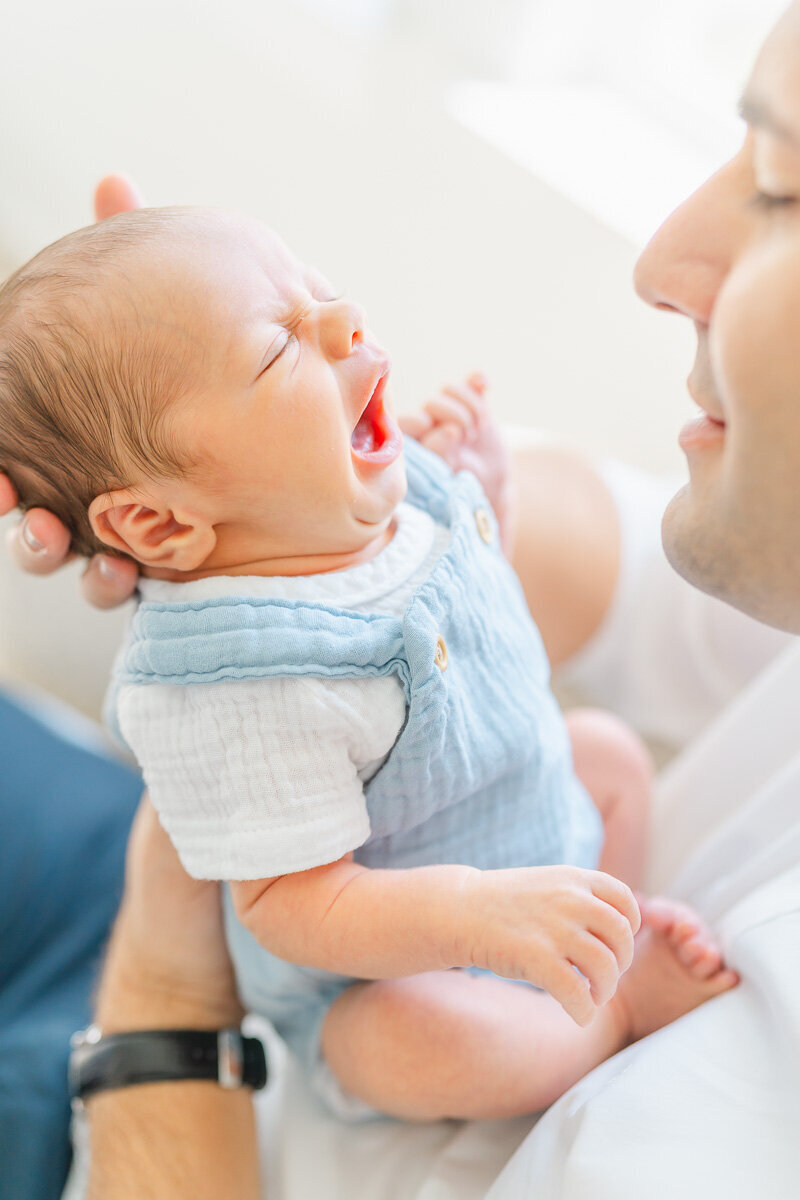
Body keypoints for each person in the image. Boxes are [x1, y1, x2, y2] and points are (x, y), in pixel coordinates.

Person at [6, 0, 800, 1187]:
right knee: (584, 776)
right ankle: (605, 950)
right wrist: (469, 493)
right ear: (159, 523)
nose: (343, 321)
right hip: (422, 936)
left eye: (779, 186)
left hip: (180, 1091)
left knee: (400, 1036)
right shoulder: (240, 672)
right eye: (284, 341)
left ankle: (604, 1002)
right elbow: (624, 580)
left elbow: (257, 922)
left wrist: (164, 990)